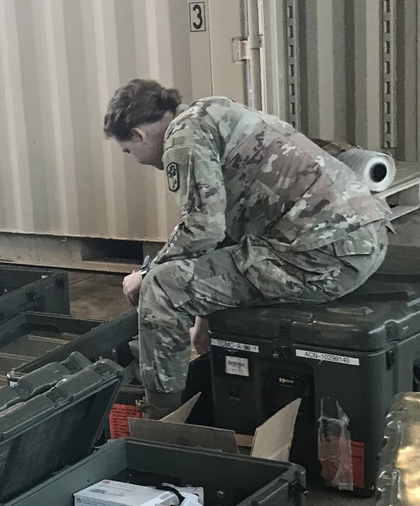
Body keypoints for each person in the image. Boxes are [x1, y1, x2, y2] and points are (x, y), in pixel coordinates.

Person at [103, 79, 390, 418]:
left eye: (127, 151)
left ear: (138, 135)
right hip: (360, 237)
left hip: (321, 256)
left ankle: (159, 418)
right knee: (182, 279)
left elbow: (203, 228)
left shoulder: (182, 137)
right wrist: (204, 318)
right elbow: (227, 228)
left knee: (163, 288)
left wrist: (147, 274)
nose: (133, 159)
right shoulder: (215, 110)